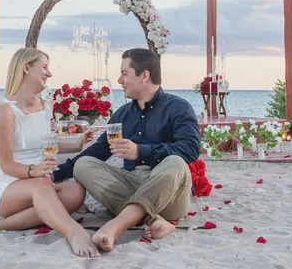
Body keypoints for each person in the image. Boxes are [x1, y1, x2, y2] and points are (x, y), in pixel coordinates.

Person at [52, 48, 201, 251]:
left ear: (144, 75)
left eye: (124, 74)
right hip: (131, 185)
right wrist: (55, 174)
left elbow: (191, 149)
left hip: (170, 193)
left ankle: (116, 225)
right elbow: (98, 151)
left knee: (175, 162)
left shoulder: (178, 107)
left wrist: (141, 151)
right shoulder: (122, 114)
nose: (119, 80)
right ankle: (155, 220)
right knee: (83, 165)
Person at [0, 48, 99, 258]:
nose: (50, 73)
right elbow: (6, 164)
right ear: (26, 68)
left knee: (76, 191)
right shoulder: (5, 111)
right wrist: (35, 170)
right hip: (5, 186)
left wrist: (76, 144)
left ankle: (4, 225)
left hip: (37, 184)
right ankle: (74, 232)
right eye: (44, 67)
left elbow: (45, 146)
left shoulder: (46, 107)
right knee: (43, 184)